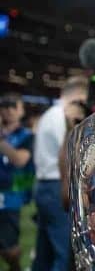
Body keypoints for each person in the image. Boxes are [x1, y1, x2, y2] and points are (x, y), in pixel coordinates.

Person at [33, 75, 89, 271]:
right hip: (56, 187)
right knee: (63, 252)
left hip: (43, 185)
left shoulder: (48, 114)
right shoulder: (61, 117)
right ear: (77, 95)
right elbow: (66, 154)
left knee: (45, 250)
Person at [0, 93, 35, 271]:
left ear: (20, 110)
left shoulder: (26, 135)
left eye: (13, 106)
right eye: (5, 106)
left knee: (10, 246)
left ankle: (16, 267)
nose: (9, 110)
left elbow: (20, 160)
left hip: (15, 194)